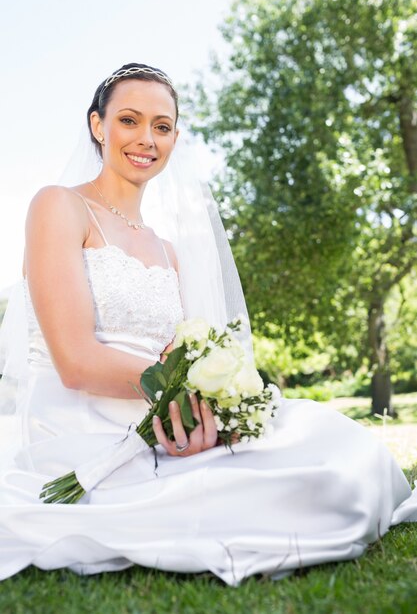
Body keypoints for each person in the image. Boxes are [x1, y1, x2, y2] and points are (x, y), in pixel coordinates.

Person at [0, 63, 416, 587]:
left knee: (337, 444)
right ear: (97, 126)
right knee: (286, 487)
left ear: (174, 137)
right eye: (129, 120)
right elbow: (75, 361)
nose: (146, 139)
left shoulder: (167, 251)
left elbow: (182, 350)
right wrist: (179, 397)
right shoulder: (59, 207)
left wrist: (207, 411)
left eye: (162, 126)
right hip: (81, 422)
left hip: (164, 417)